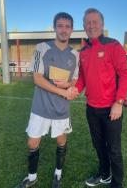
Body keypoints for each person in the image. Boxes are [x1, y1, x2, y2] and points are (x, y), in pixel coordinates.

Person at [17, 12, 79, 188]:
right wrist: (63, 91)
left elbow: (74, 79)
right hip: (41, 107)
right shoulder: (41, 48)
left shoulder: (75, 55)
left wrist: (68, 85)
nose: (64, 30)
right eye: (60, 26)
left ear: (72, 30)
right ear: (54, 27)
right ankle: (32, 177)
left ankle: (58, 175)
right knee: (32, 142)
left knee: (61, 140)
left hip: (61, 108)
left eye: (67, 27)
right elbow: (37, 78)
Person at [72, 8, 127, 188]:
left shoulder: (113, 46)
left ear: (102, 24)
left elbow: (125, 74)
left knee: (113, 149)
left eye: (94, 22)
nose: (91, 26)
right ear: (84, 26)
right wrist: (74, 90)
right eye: (87, 23)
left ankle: (117, 183)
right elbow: (82, 78)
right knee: (99, 145)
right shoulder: (83, 51)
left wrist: (119, 102)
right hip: (92, 108)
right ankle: (105, 174)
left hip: (111, 109)